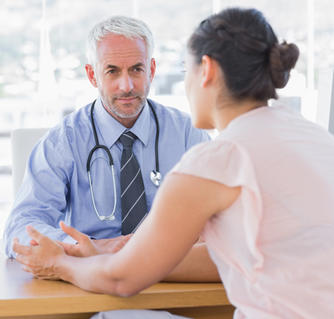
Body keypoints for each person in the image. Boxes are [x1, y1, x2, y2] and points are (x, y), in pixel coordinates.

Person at [13, 7, 334, 319]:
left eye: (186, 71)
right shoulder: (326, 141)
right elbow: (235, 255)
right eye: (113, 72)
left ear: (205, 71)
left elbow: (121, 280)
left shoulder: (217, 159)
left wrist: (60, 264)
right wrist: (103, 250)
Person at [4, 16, 209, 257]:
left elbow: (222, 216)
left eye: (136, 69)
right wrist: (89, 247)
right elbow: (20, 229)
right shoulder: (63, 142)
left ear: (151, 70)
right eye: (112, 71)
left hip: (171, 271)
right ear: (92, 75)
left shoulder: (187, 133)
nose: (127, 86)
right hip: (90, 274)